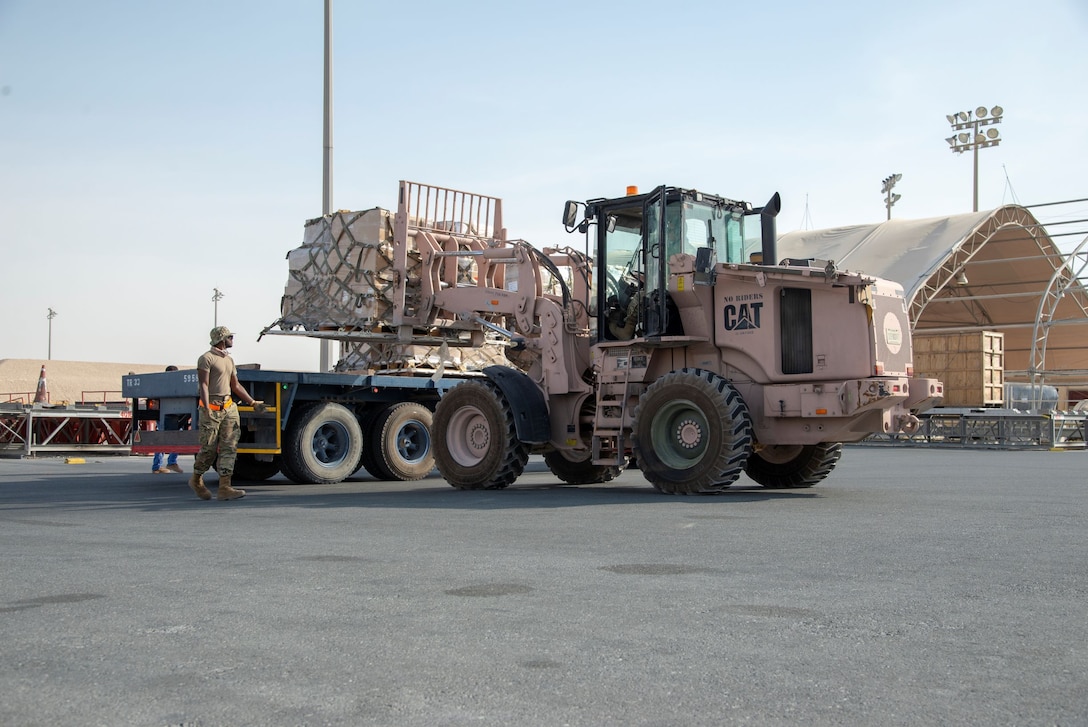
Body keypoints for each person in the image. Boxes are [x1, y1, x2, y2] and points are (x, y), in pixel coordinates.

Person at [188, 326, 266, 501]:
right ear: (222, 339)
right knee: (208, 450)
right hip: (212, 410)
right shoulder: (206, 358)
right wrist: (207, 408)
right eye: (230, 336)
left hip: (229, 408)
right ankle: (196, 480)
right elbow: (204, 385)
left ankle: (225, 487)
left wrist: (253, 403)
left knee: (229, 447)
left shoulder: (229, 361)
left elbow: (235, 386)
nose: (232, 339)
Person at [152, 365, 183, 474]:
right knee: (174, 438)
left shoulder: (161, 384)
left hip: (167, 414)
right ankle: (168, 463)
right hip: (170, 415)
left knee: (165, 438)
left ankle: (160, 465)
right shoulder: (175, 385)